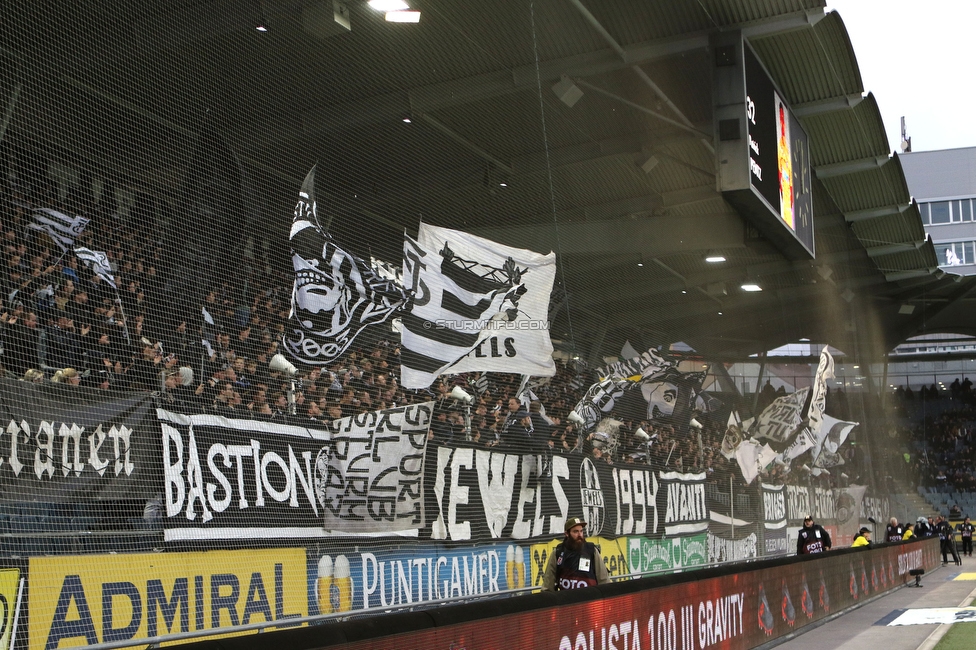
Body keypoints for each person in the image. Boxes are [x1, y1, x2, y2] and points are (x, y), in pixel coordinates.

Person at [542, 517, 610, 591]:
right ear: (567, 534)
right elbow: (548, 582)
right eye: (575, 532)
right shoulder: (558, 552)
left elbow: (603, 579)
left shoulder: (591, 550)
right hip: (567, 600)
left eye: (581, 531)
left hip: (589, 599)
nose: (579, 535)